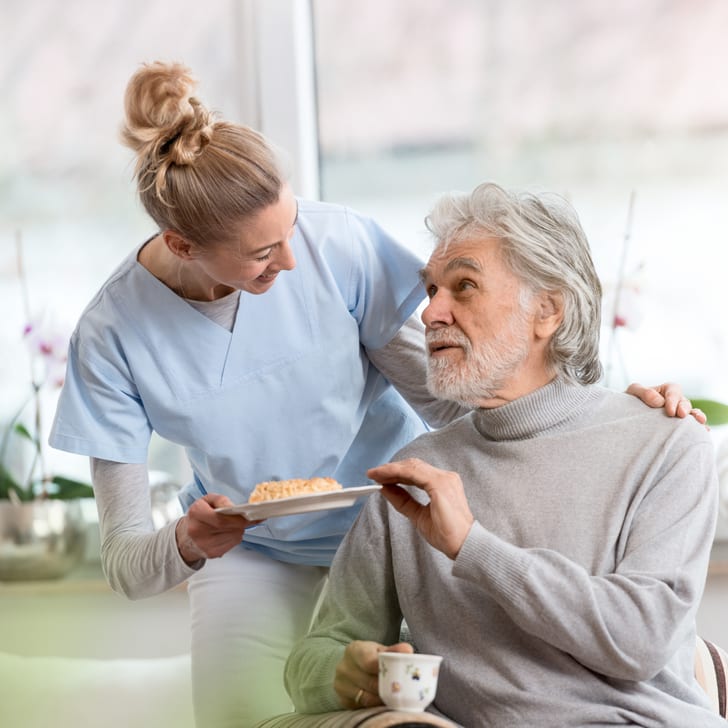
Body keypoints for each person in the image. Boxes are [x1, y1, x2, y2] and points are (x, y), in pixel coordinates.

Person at [48, 62, 699, 728]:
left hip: (402, 514)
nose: (293, 262)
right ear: (181, 244)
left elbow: (476, 397)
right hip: (260, 554)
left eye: (292, 230)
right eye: (264, 253)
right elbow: (128, 563)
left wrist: (614, 413)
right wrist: (189, 539)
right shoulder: (111, 336)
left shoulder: (338, 249)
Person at [283, 183, 722, 727]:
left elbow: (640, 640)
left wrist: (471, 545)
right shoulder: (417, 474)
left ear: (547, 310)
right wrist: (342, 672)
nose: (431, 314)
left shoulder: (666, 442)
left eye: (463, 286)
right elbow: (317, 654)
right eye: (431, 290)